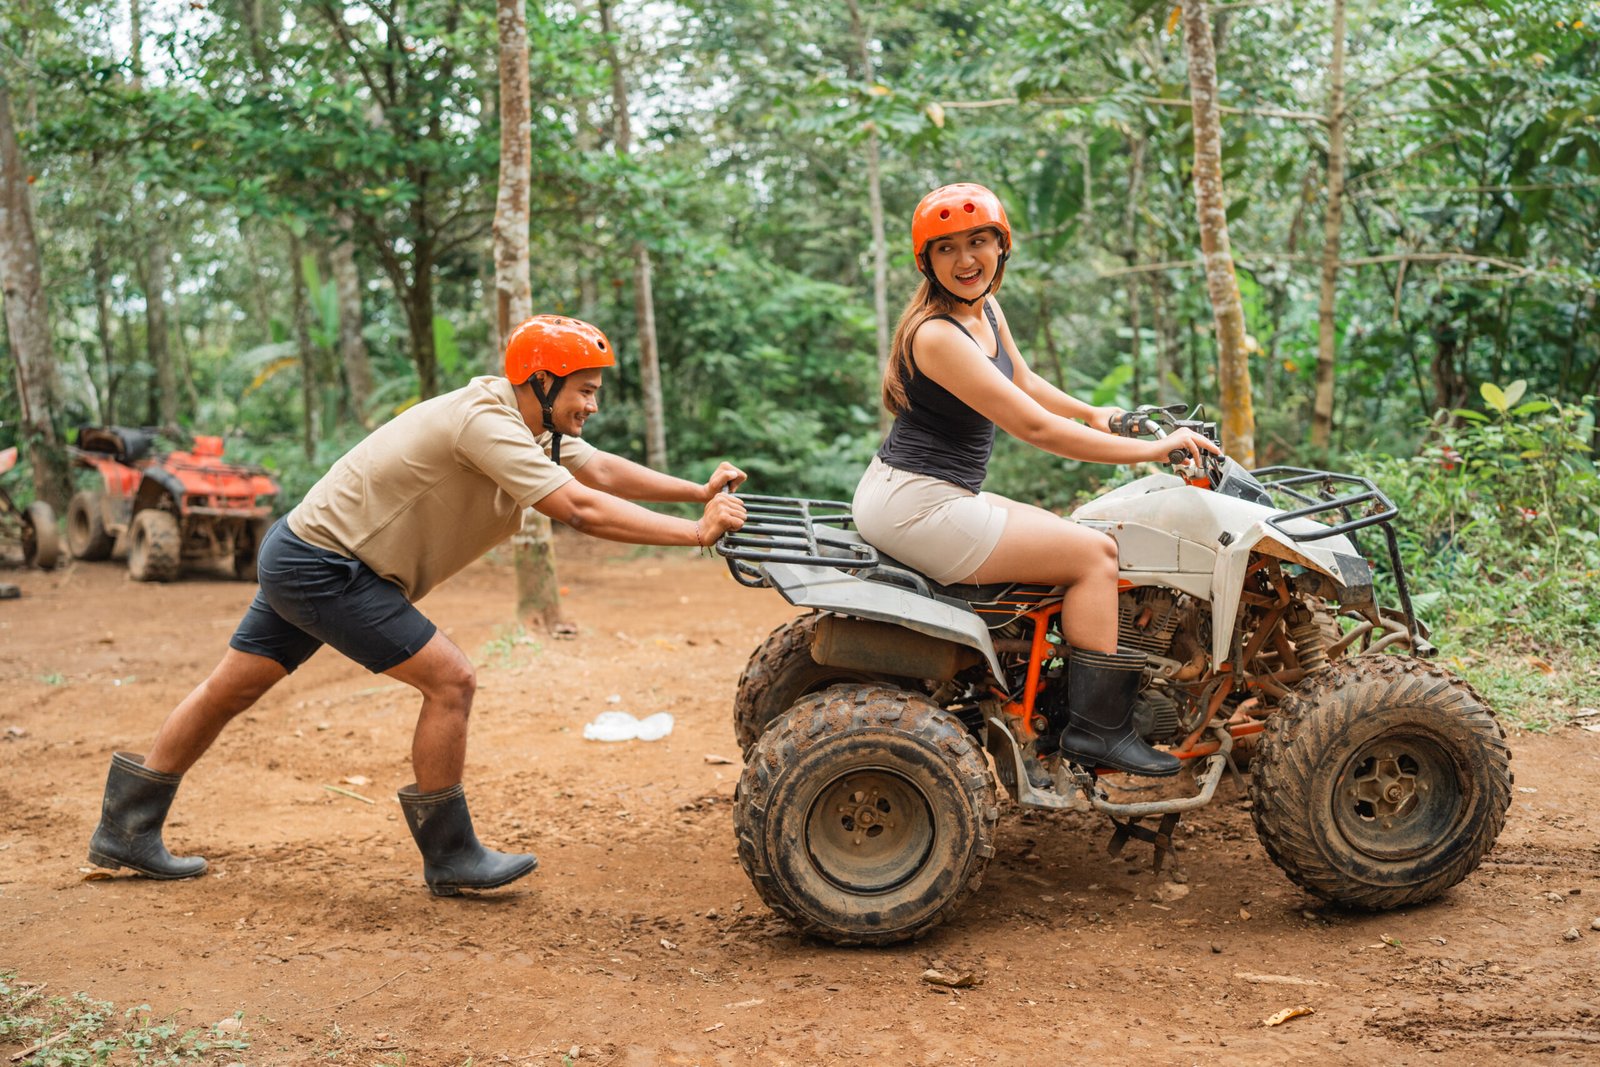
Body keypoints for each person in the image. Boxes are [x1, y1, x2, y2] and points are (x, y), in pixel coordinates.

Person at [88, 315, 748, 895]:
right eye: (585, 391)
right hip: (327, 565)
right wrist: (694, 533)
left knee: (229, 688)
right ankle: (452, 856)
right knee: (451, 680)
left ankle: (127, 827)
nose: (592, 406)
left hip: (308, 550)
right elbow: (575, 506)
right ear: (542, 382)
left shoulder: (525, 423)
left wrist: (696, 491)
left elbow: (597, 470)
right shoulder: (484, 422)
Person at [852, 183, 1218, 778]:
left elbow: (1023, 379)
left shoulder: (982, 309)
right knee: (1094, 557)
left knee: (1080, 533)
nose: (966, 260)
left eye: (978, 242)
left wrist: (1096, 412)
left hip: (922, 490)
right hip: (918, 505)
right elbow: (1032, 426)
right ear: (927, 261)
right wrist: (1151, 448)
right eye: (946, 249)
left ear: (1002, 246)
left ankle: (1051, 688)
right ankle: (1098, 731)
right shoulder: (937, 334)